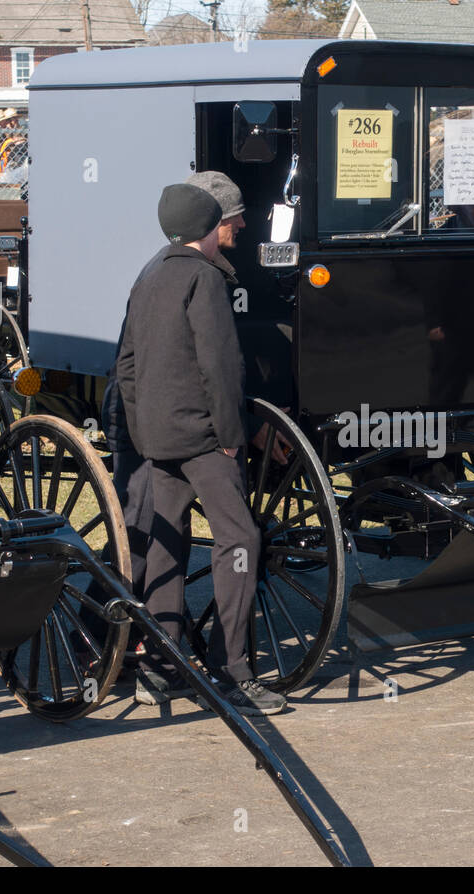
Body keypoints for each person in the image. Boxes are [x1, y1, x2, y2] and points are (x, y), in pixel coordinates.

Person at [113, 183, 286, 716]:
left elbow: (126, 367)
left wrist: (146, 434)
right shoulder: (205, 280)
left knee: (167, 545)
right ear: (208, 230)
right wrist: (233, 438)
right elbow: (220, 366)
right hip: (205, 439)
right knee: (239, 540)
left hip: (158, 438)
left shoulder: (149, 275)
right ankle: (236, 672)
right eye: (222, 225)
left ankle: (160, 671)